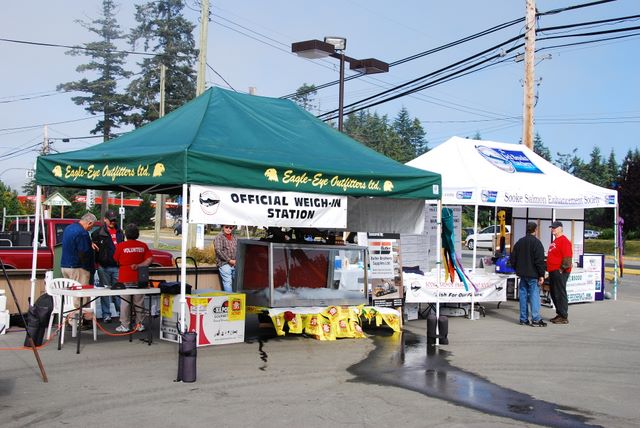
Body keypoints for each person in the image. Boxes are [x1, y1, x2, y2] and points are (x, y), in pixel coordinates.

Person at [113, 223, 153, 333]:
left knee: (125, 303)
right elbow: (149, 260)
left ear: (126, 234)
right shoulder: (143, 246)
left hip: (124, 278)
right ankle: (139, 324)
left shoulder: (121, 246)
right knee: (139, 302)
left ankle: (125, 325)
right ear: (137, 234)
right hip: (139, 278)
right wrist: (139, 265)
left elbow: (115, 259)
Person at [60, 212, 97, 325]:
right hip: (78, 267)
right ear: (89, 223)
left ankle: (69, 319)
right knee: (80, 296)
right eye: (92, 226)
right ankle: (77, 322)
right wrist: (89, 267)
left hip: (65, 265)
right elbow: (83, 252)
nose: (91, 228)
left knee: (71, 295)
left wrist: (89, 243)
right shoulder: (83, 233)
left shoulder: (69, 228)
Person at [510, 221, 547, 327]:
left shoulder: (519, 242)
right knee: (534, 296)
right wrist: (541, 274)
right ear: (535, 230)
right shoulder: (537, 243)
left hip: (522, 274)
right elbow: (539, 261)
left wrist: (517, 269)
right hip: (533, 274)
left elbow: (513, 258)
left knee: (523, 296)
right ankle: (535, 319)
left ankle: (523, 319)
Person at [91, 209, 123, 323]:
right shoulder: (98, 233)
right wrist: (96, 263)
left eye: (114, 220)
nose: (112, 222)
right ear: (105, 219)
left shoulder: (120, 232)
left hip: (117, 266)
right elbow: (92, 248)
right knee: (105, 292)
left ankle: (121, 313)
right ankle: (106, 314)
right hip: (103, 266)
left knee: (118, 291)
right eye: (110, 220)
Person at [547, 221, 573, 324]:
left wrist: (561, 269)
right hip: (553, 270)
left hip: (560, 271)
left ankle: (563, 316)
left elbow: (567, 257)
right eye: (552, 228)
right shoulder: (556, 241)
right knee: (554, 293)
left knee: (560, 293)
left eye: (554, 228)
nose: (552, 229)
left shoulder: (564, 241)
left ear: (560, 229)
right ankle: (559, 313)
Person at [214, 225, 237, 292]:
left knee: (237, 282)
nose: (228, 229)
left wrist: (237, 260)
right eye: (226, 227)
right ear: (223, 227)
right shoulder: (219, 237)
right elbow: (218, 250)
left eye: (230, 227)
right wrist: (229, 260)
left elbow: (238, 248)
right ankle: (229, 297)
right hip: (224, 263)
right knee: (228, 282)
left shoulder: (235, 237)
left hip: (235, 263)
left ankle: (236, 297)